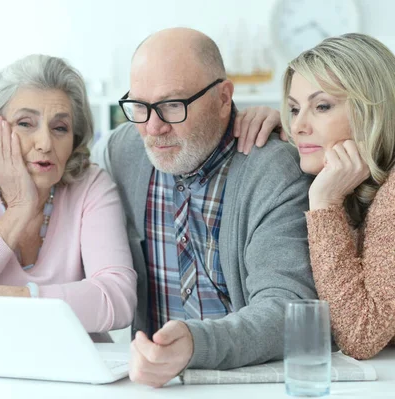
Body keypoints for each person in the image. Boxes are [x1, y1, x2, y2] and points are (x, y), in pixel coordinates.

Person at [93, 27, 317, 387]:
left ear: (224, 97)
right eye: (139, 106)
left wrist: (196, 345)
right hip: (153, 385)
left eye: (171, 105)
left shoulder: (273, 169)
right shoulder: (122, 154)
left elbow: (288, 309)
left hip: (247, 385)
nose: (153, 127)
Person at [0, 54, 137, 334]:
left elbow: (117, 299)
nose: (45, 143)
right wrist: (19, 209)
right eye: (25, 123)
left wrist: (7, 298)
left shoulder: (91, 185)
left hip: (72, 365)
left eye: (60, 128)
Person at [257, 33, 394, 360]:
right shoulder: (351, 182)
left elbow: (361, 336)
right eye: (293, 109)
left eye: (322, 106)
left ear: (372, 110)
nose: (298, 126)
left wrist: (324, 205)